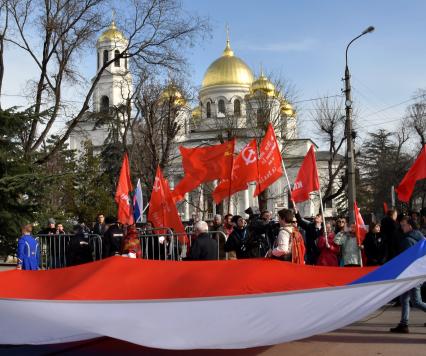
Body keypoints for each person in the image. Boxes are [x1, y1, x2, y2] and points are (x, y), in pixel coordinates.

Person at [390, 217, 426, 333]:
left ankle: (404, 324)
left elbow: (407, 259)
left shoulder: (408, 240)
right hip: (415, 273)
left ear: (410, 226)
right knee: (404, 298)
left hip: (411, 274)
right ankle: (403, 324)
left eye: (404, 225)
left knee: (416, 301)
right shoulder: (420, 237)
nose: (402, 227)